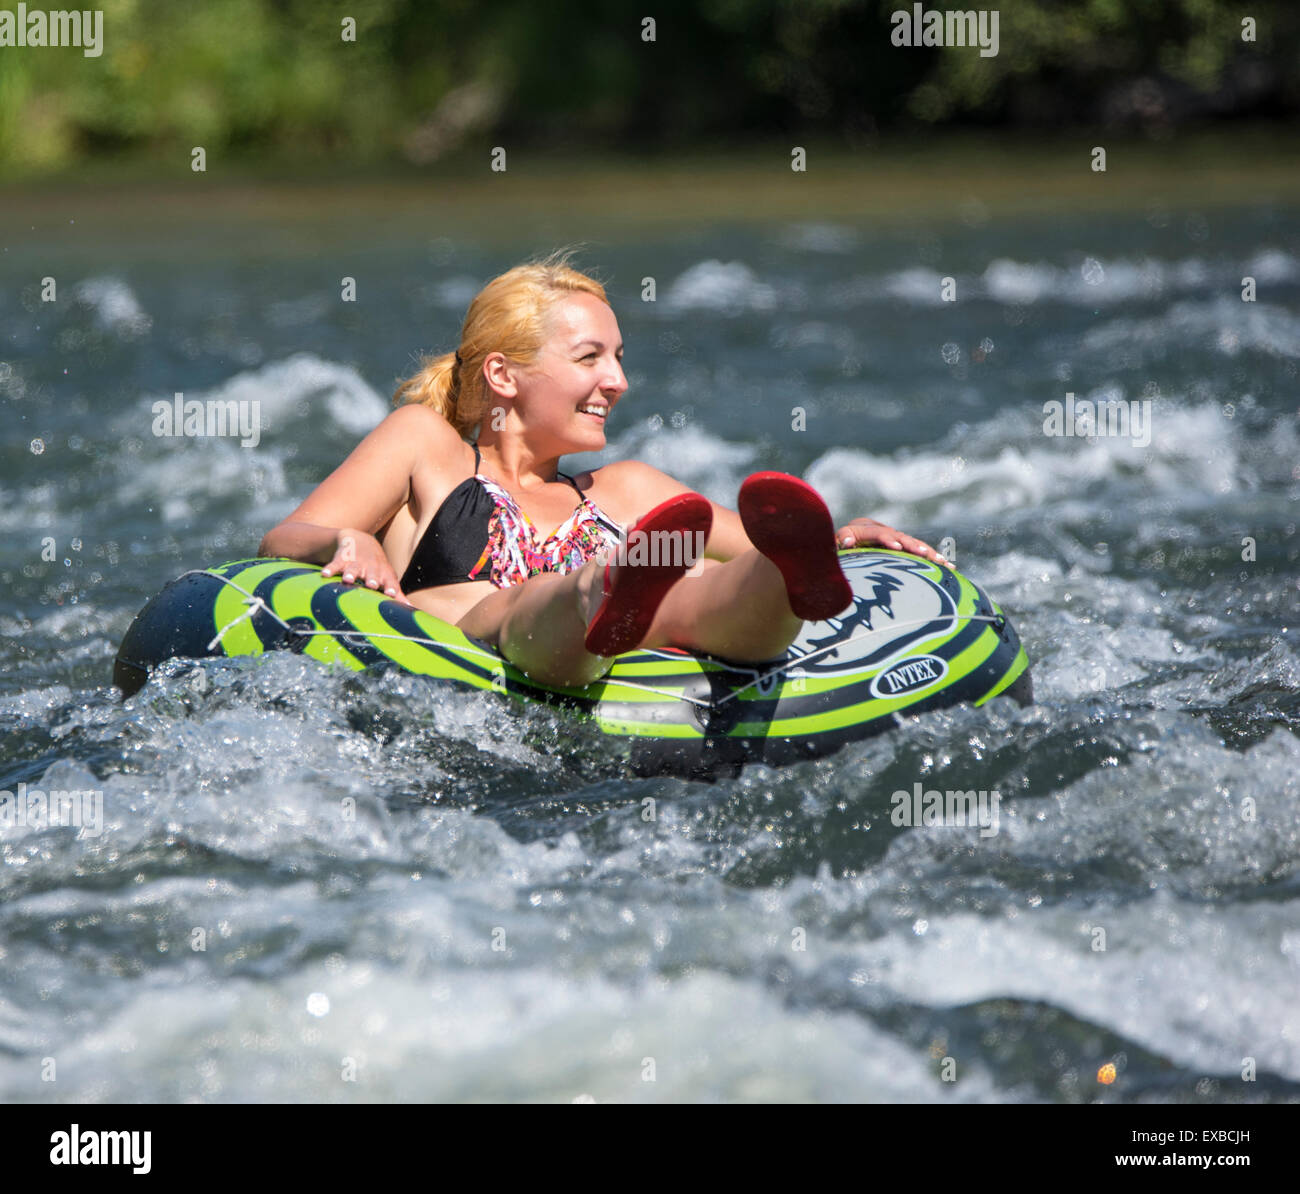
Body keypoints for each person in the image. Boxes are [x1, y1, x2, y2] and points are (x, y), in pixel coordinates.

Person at [259, 252, 947, 688]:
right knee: (517, 603)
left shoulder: (630, 489)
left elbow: (759, 537)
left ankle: (770, 593)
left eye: (619, 358)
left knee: (698, 585)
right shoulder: (426, 446)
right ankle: (602, 587)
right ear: (503, 375)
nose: (617, 381)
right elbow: (283, 541)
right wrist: (344, 540)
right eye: (591, 358)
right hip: (473, 646)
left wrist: (835, 540)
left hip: (621, 680)